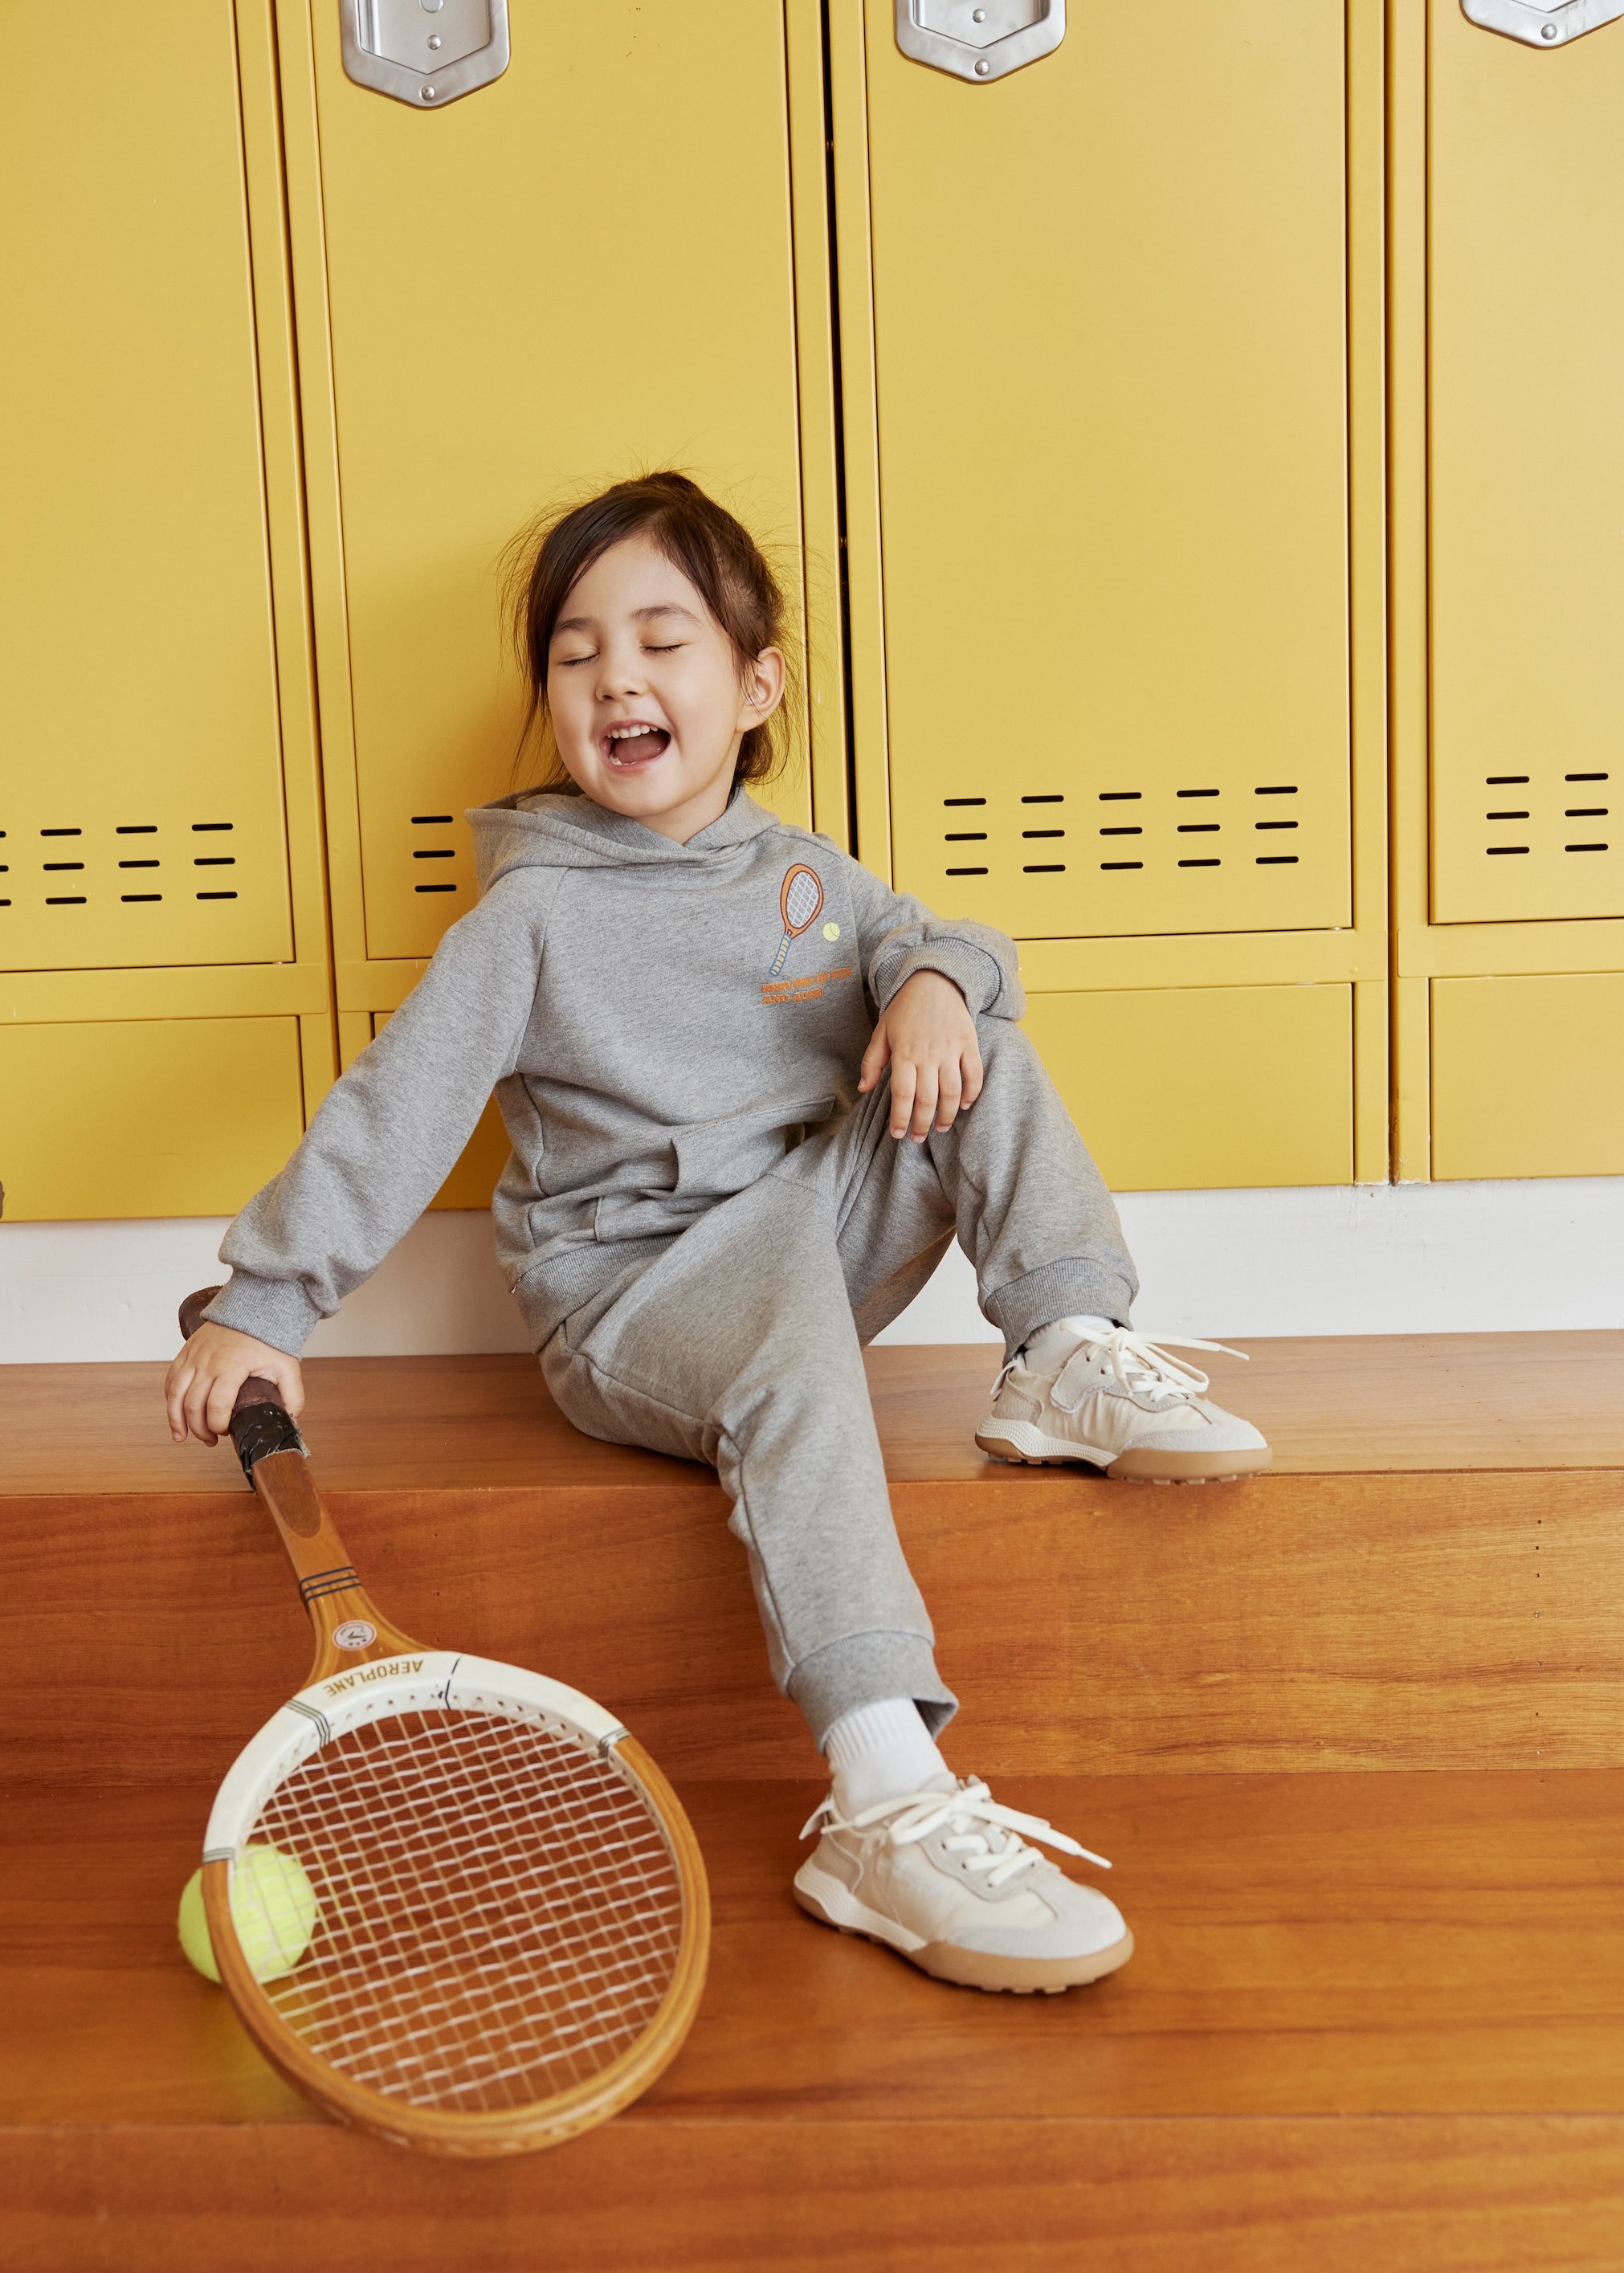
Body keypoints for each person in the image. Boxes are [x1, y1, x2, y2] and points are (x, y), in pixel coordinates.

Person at [165, 472, 1270, 1996]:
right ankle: (881, 1801)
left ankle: (1062, 1343)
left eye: (661, 639)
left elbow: (934, 939)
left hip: (801, 1232)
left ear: (751, 687)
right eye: (575, 650)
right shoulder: (532, 919)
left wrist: (938, 980)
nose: (614, 674)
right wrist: (265, 1300)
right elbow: (396, 1104)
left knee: (982, 1043)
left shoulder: (800, 872)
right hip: (629, 1296)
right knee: (791, 1339)